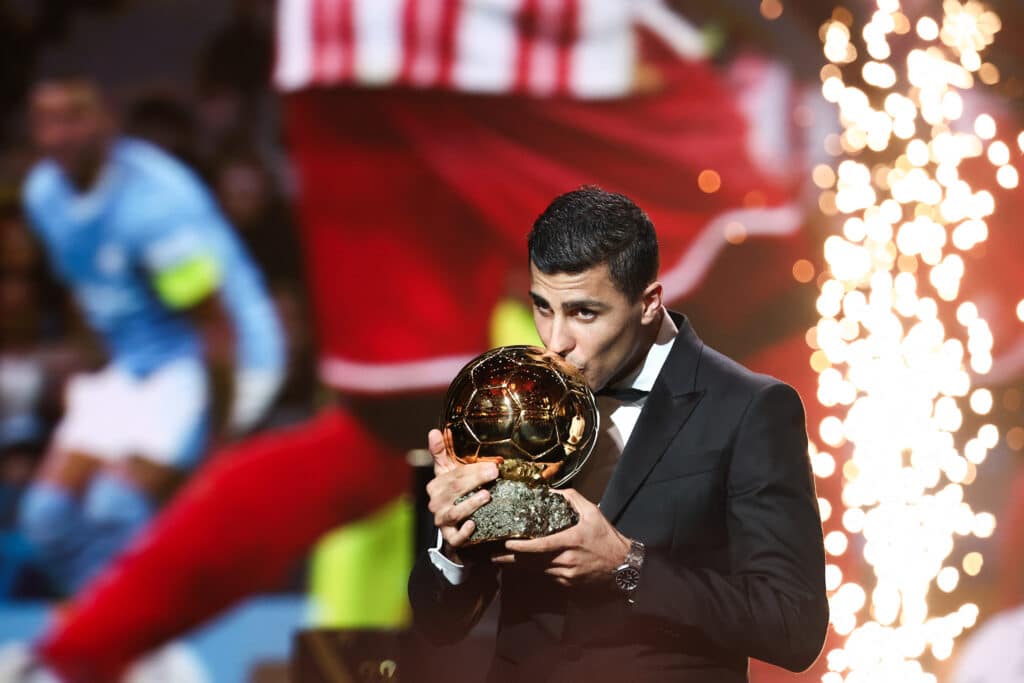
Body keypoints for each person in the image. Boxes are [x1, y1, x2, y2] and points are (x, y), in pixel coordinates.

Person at [409, 186, 829, 681]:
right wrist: (454, 551)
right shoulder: (517, 403)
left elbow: (793, 625)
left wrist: (626, 566)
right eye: (543, 308)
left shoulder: (749, 409)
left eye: (584, 313)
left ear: (649, 302)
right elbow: (439, 626)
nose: (555, 342)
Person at [15, 71, 286, 595]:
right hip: (134, 359)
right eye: (46, 120)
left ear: (106, 121)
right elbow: (86, 284)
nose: (59, 135)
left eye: (73, 116)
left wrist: (215, 440)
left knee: (117, 508)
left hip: (222, 356)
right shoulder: (43, 196)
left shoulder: (156, 208)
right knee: (46, 518)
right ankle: (109, 639)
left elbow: (215, 325)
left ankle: (144, 638)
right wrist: (92, 377)